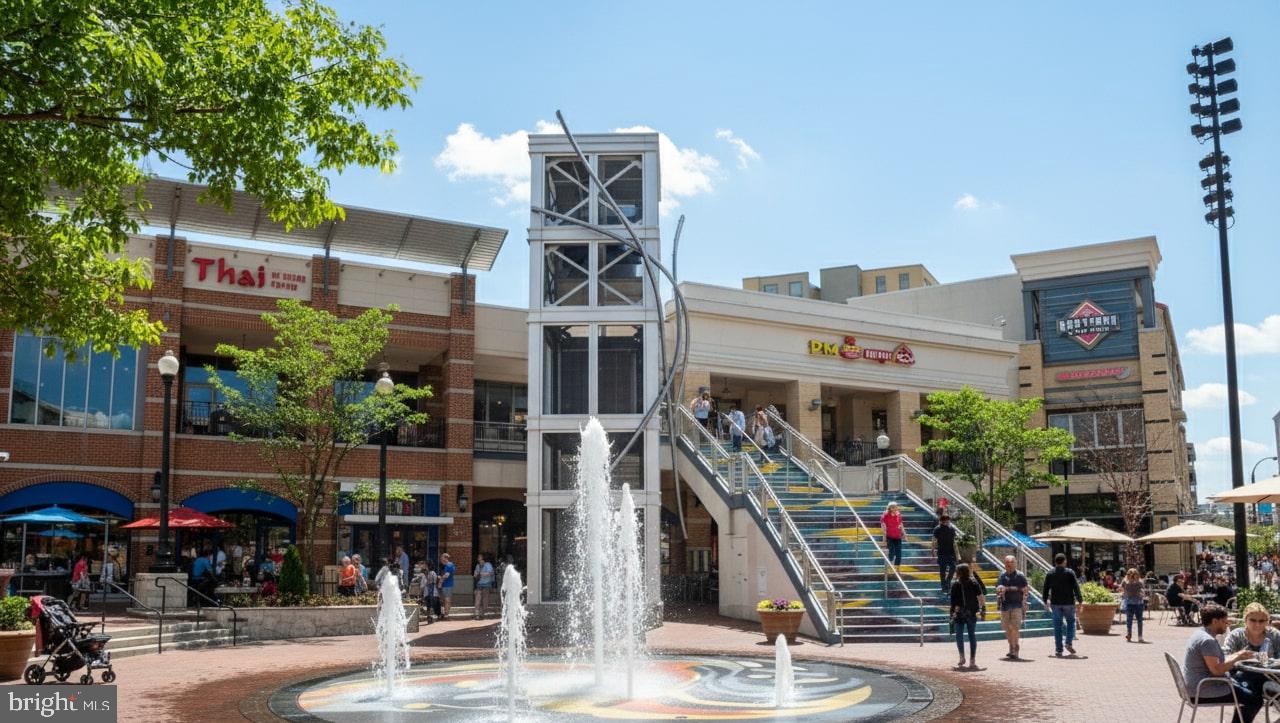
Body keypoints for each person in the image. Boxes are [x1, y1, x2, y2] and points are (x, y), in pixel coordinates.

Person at [1185, 603, 1262, 723]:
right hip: (1203, 690)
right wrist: (1237, 658)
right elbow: (1217, 671)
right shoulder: (1207, 641)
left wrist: (1238, 655)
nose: (1227, 625)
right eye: (1225, 622)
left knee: (1248, 679)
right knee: (1255, 699)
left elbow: (1217, 663)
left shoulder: (1200, 633)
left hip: (1198, 685)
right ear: (1215, 621)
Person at [1224, 602, 1280, 707]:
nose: (1257, 624)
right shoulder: (1237, 635)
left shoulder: (1273, 635)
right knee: (1253, 697)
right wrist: (1239, 656)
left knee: (1254, 697)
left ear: (1267, 622)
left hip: (1270, 676)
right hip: (1241, 678)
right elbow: (1225, 656)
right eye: (1253, 620)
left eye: (1261, 621)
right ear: (1245, 620)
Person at [1041, 552, 1083, 657]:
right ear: (1064, 561)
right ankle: (1068, 642)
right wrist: (1080, 601)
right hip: (1069, 603)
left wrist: (1045, 600)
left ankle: (1058, 650)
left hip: (1055, 603)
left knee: (1057, 627)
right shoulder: (1070, 572)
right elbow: (1076, 587)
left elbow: (1045, 588)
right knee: (1071, 623)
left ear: (1055, 562)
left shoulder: (1050, 573)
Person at [949, 562, 987, 670]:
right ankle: (972, 660)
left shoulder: (955, 584)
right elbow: (981, 597)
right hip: (971, 612)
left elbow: (953, 602)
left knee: (959, 636)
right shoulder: (974, 582)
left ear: (959, 573)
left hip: (959, 612)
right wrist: (983, 609)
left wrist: (952, 614)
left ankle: (962, 657)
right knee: (972, 636)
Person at [996, 554, 1029, 659]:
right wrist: (1000, 589)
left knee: (1015, 627)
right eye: (1007, 563)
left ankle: (1015, 649)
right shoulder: (1002, 575)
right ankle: (1011, 646)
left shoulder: (1020, 576)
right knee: (1007, 628)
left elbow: (1026, 589)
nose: (1009, 565)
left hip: (1017, 605)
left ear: (1015, 564)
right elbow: (998, 587)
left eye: (1011, 563)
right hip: (1005, 605)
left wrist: (1024, 601)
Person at [930, 512, 958, 593]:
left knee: (953, 567)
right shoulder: (937, 529)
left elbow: (954, 541)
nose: (947, 522)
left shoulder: (952, 529)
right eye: (946, 521)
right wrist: (932, 550)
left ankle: (948, 580)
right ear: (941, 521)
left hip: (950, 552)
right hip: (941, 553)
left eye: (948, 521)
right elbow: (934, 540)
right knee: (942, 571)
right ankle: (944, 587)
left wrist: (957, 553)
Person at [1120, 567, 1146, 643]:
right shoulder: (1125, 581)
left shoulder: (1140, 582)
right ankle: (1129, 635)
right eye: (1129, 574)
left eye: (1134, 574)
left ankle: (1140, 636)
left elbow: (1142, 591)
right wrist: (1124, 592)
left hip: (1138, 603)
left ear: (1136, 574)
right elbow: (1120, 588)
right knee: (1129, 620)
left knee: (1139, 620)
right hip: (1130, 603)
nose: (1132, 576)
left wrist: (1142, 593)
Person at [880, 502, 905, 568]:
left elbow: (901, 524)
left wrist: (904, 533)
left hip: (897, 536)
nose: (894, 508)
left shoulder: (898, 515)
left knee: (898, 551)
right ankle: (891, 561)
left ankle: (897, 566)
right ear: (889, 508)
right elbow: (883, 525)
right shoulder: (885, 515)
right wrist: (884, 537)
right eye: (893, 507)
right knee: (891, 550)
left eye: (895, 507)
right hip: (889, 536)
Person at [474, 554, 495, 619]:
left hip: (487, 584)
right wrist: (475, 575)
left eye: (480, 557)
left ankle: (483, 613)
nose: (478, 558)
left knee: (485, 600)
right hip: (479, 584)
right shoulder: (477, 565)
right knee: (478, 599)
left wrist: (482, 574)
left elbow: (491, 573)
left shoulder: (488, 564)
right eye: (478, 557)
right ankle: (477, 614)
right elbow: (475, 574)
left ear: (483, 558)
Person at [439, 552, 455, 618]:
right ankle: (446, 612)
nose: (441, 561)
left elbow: (446, 575)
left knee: (447, 599)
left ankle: (446, 614)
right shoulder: (446, 565)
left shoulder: (449, 565)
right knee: (446, 599)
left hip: (448, 585)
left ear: (445, 558)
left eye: (442, 559)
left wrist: (440, 582)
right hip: (446, 585)